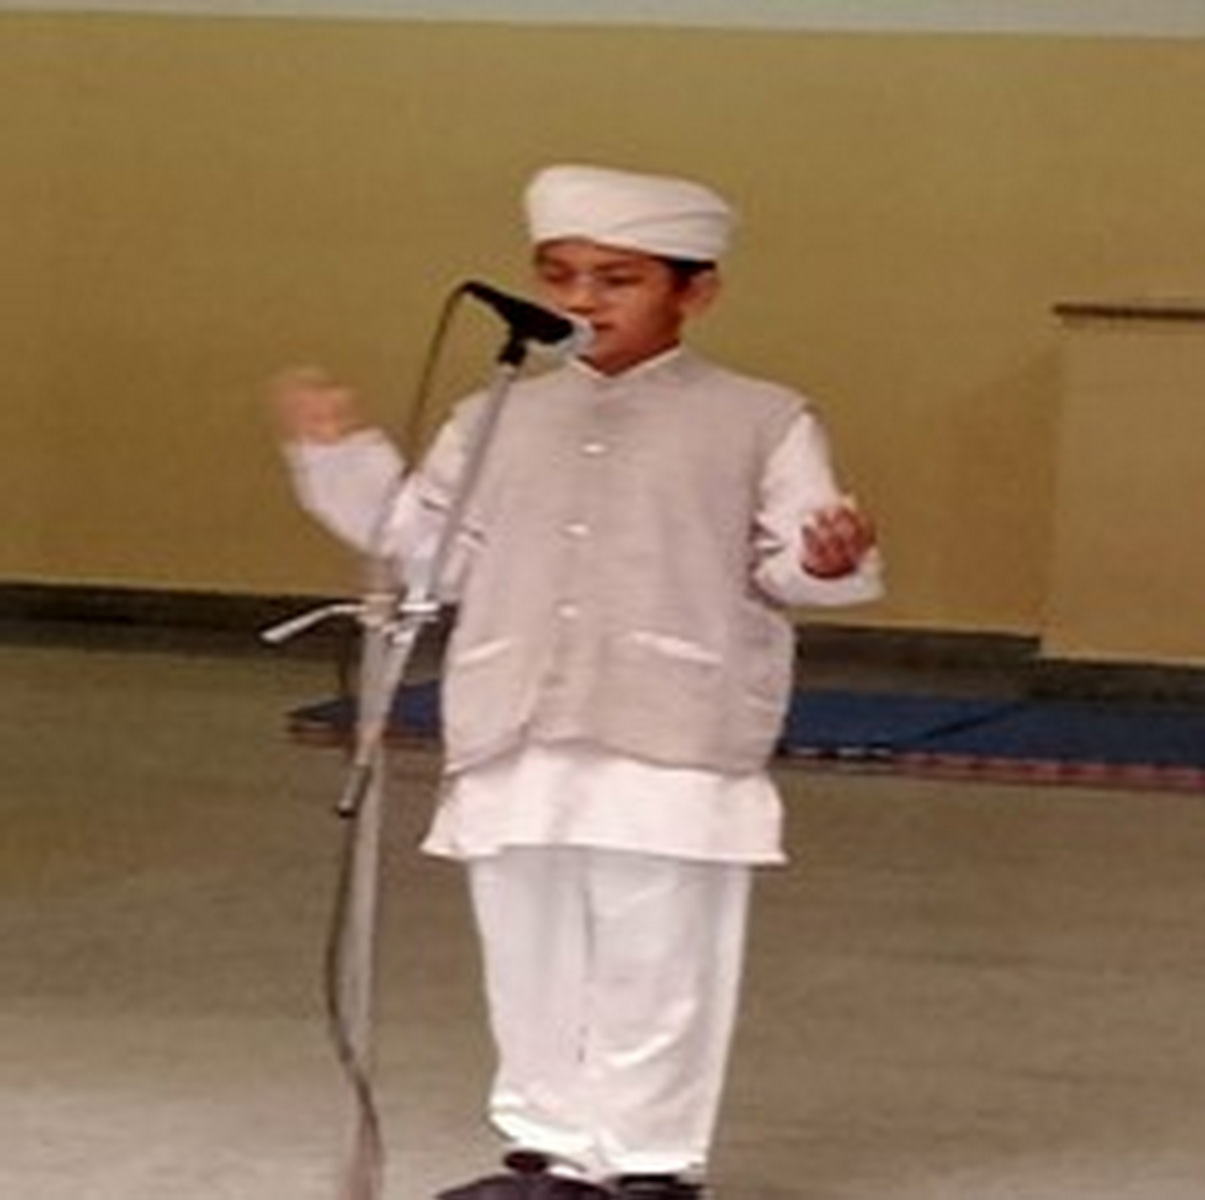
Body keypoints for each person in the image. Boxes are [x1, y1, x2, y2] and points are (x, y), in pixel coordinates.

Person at [270, 164, 882, 1200]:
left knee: (661, 954)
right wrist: (340, 457)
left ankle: (649, 1167)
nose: (582, 300)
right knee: (526, 947)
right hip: (517, 714)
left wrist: (826, 559)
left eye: (618, 279)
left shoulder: (761, 417)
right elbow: (428, 554)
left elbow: (788, 561)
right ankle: (550, 1155)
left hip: (672, 722)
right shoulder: (494, 412)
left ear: (695, 292)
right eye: (559, 276)